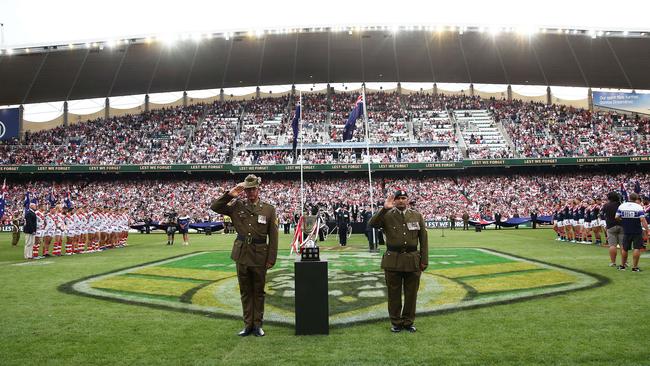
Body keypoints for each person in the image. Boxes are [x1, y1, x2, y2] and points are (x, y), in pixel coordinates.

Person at [211, 174, 278, 337]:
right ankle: (248, 325)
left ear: (258, 189)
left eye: (253, 189)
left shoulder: (269, 209)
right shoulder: (236, 205)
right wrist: (230, 194)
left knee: (259, 292)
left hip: (260, 255)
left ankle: (258, 325)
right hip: (241, 254)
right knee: (245, 291)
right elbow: (215, 207)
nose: (250, 192)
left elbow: (274, 236)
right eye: (247, 190)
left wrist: (271, 258)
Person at [369, 189, 428, 333]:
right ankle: (396, 322)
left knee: (411, 294)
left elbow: (424, 239)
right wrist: (384, 208)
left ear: (407, 200)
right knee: (393, 294)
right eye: (398, 198)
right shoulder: (387, 215)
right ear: (394, 201)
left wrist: (424, 260)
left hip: (412, 259)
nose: (401, 200)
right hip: (393, 260)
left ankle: (408, 322)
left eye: (404, 198)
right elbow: (372, 224)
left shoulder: (417, 215)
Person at [616, 193, 648, 272]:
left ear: (629, 198)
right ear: (636, 198)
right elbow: (642, 219)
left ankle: (622, 266)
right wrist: (647, 229)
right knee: (637, 248)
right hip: (636, 230)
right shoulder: (638, 207)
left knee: (625, 249)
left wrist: (623, 220)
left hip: (626, 230)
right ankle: (635, 267)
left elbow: (616, 217)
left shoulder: (622, 206)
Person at [602, 192, 623, 267]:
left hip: (610, 226)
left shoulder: (606, 205)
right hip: (621, 225)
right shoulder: (621, 205)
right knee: (622, 245)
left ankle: (613, 262)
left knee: (612, 245)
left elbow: (601, 214)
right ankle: (624, 262)